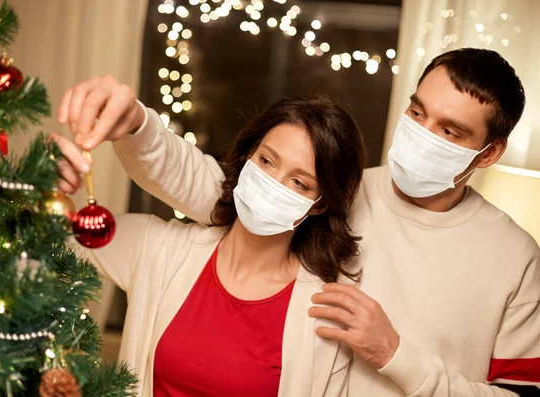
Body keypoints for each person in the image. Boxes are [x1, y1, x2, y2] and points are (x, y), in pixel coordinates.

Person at [56, 48, 540, 396]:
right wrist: (137, 127)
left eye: (449, 130)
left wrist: (397, 355)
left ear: (490, 152)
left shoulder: (514, 258)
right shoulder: (339, 192)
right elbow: (215, 190)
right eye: (417, 112)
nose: (422, 133)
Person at [59, 95, 368, 396]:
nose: (273, 183)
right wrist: (49, 180)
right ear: (248, 156)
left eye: (299, 182)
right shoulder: (161, 250)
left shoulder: (321, 318)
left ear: (318, 205)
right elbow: (52, 238)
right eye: (266, 161)